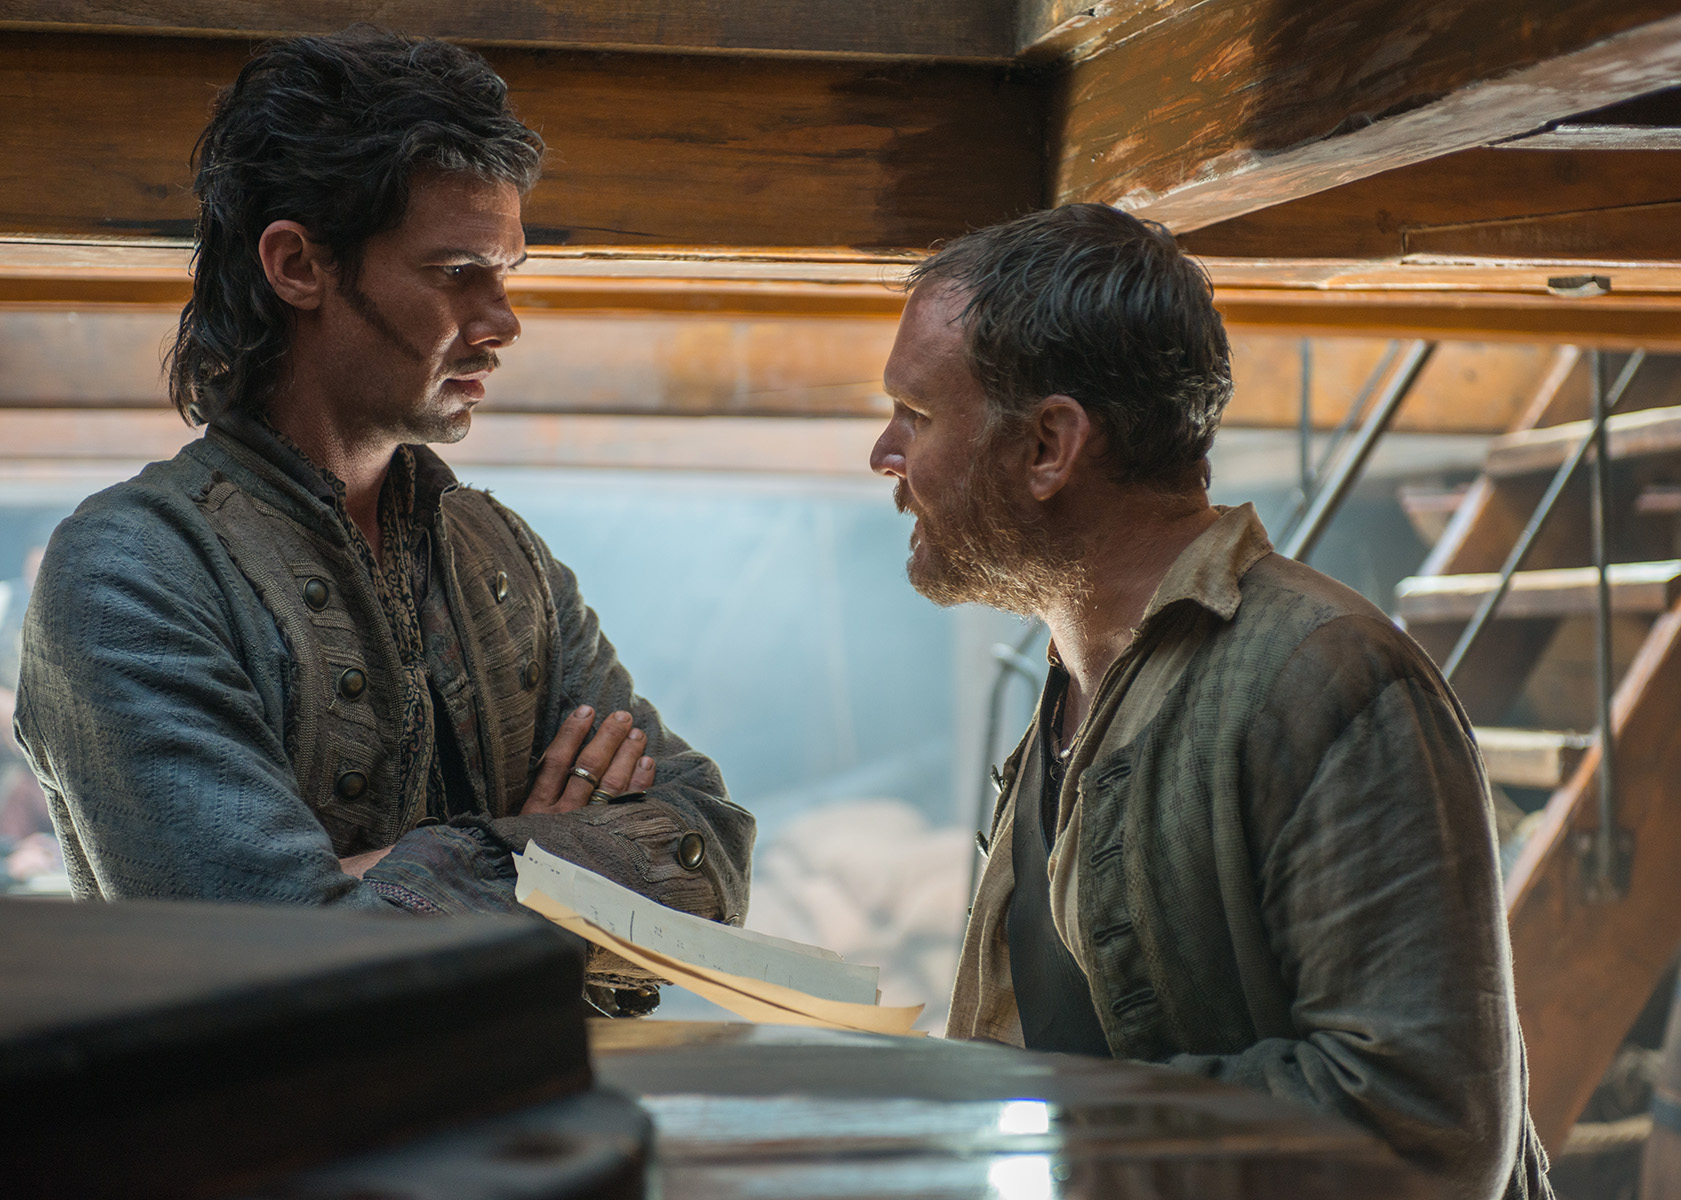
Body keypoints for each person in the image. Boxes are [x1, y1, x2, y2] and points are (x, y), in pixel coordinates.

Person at [13, 30, 754, 1006]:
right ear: (297, 265)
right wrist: (545, 855)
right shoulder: (132, 570)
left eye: (505, 272)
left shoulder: (502, 556)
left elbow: (710, 844)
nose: (502, 320)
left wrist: (395, 877)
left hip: (542, 1098)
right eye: (456, 272)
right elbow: (273, 968)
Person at [870, 203, 1551, 1200]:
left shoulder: (1327, 681)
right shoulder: (1081, 682)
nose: (885, 454)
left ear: (1050, 445)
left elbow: (1422, 1132)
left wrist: (1033, 1124)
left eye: (917, 415)